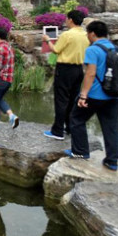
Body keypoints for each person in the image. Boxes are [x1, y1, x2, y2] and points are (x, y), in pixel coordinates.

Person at [66, 21, 118, 170]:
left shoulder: (93, 49)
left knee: (76, 119)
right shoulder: (116, 49)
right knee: (111, 128)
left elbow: (90, 73)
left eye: (87, 33)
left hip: (95, 95)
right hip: (112, 95)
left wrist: (83, 95)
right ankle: (112, 161)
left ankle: (80, 152)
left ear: (92, 34)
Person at [42, 10, 89, 140]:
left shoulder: (67, 35)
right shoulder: (85, 35)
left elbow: (56, 50)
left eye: (67, 18)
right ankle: (70, 128)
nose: (65, 21)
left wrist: (47, 40)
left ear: (71, 20)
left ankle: (57, 131)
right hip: (79, 70)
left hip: (65, 70)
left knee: (61, 100)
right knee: (73, 99)